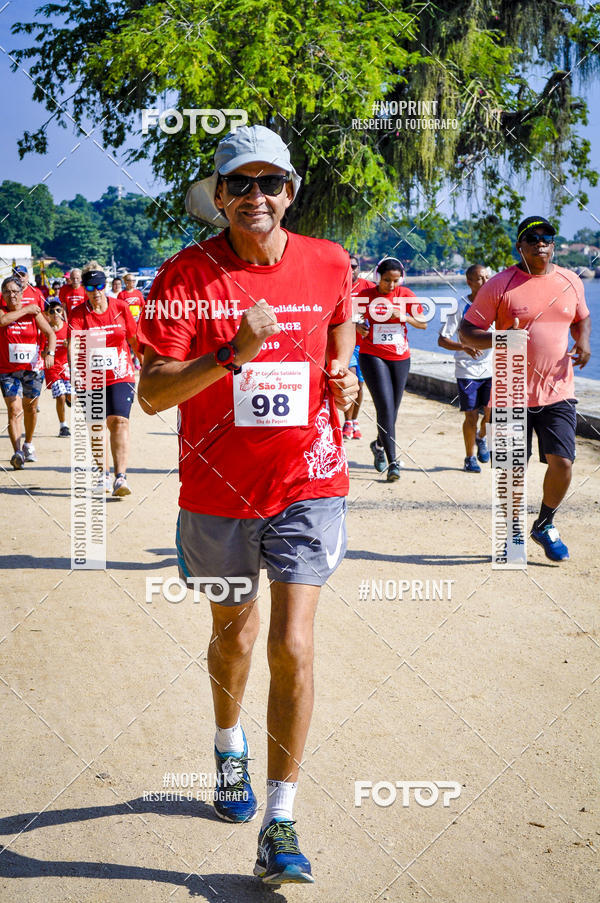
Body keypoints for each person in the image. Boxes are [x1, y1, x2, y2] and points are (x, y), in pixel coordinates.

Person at [137, 124, 358, 885]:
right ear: (219, 196)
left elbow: (340, 323)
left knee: (292, 645)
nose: (255, 196)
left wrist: (344, 374)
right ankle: (228, 743)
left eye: (270, 183)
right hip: (219, 493)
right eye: (240, 184)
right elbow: (153, 394)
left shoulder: (328, 259)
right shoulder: (184, 276)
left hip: (309, 482)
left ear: (290, 192)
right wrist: (233, 351)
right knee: (234, 636)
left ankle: (281, 819)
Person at [459, 215, 592, 561]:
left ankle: (544, 524)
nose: (541, 242)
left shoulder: (570, 280)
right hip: (509, 392)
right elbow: (467, 331)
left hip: (558, 390)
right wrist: (501, 338)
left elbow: (581, 317)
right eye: (532, 238)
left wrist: (585, 341)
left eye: (547, 236)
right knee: (512, 470)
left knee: (562, 462)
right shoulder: (501, 284)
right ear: (520, 245)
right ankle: (513, 531)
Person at [68, 261, 138, 496]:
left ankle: (121, 477)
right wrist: (74, 376)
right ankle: (103, 475)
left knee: (119, 421)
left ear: (105, 285)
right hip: (92, 378)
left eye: (99, 286)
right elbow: (74, 344)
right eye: (90, 288)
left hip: (121, 374)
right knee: (97, 426)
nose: (95, 292)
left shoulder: (120, 307)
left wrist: (147, 367)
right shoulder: (78, 313)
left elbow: (135, 339)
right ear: (84, 290)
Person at [357, 257, 426, 481]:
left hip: (400, 356)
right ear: (378, 277)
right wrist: (359, 326)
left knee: (392, 411)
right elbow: (350, 320)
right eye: (387, 280)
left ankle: (378, 444)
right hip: (373, 355)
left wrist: (404, 316)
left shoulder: (405, 295)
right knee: (385, 408)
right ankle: (393, 463)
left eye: (395, 281)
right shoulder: (366, 296)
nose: (391, 286)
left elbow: (422, 323)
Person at [438, 264, 492, 472]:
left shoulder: (496, 305)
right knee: (471, 415)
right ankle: (470, 458)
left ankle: (482, 438)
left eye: (488, 277)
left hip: (491, 369)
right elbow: (442, 340)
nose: (486, 282)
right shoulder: (459, 307)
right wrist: (464, 346)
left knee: (491, 414)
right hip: (467, 369)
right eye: (480, 278)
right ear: (469, 282)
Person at [0, 276, 56, 468]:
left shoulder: (34, 314)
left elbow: (50, 333)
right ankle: (17, 453)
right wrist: (26, 308)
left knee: (30, 408)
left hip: (32, 369)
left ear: (21, 293)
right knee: (14, 409)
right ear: (3, 295)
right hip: (8, 370)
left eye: (15, 291)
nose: (12, 295)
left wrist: (50, 353)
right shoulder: (4, 311)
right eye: (7, 291)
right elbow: (3, 321)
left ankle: (28, 443)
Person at [342, 253, 371, 440]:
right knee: (349, 381)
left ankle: (354, 421)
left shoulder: (368, 287)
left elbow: (379, 310)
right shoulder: (337, 286)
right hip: (346, 344)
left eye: (354, 266)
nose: (351, 269)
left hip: (365, 345)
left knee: (360, 385)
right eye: (348, 266)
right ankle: (346, 421)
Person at [43, 301, 71, 437]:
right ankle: (63, 426)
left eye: (58, 310)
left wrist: (70, 345)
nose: (56, 314)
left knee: (71, 397)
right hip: (52, 368)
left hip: (67, 366)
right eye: (52, 311)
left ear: (62, 312)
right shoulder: (45, 330)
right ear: (47, 314)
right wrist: (48, 353)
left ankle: (68, 398)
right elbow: (41, 352)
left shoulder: (68, 328)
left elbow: (79, 347)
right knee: (60, 397)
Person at [117, 273, 144, 370]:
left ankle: (137, 361)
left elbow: (143, 306)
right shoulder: (122, 294)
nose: (132, 283)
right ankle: (126, 361)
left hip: (137, 322)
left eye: (134, 281)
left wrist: (140, 316)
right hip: (126, 322)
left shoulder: (138, 293)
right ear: (125, 282)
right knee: (126, 342)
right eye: (130, 281)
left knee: (138, 342)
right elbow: (119, 309)